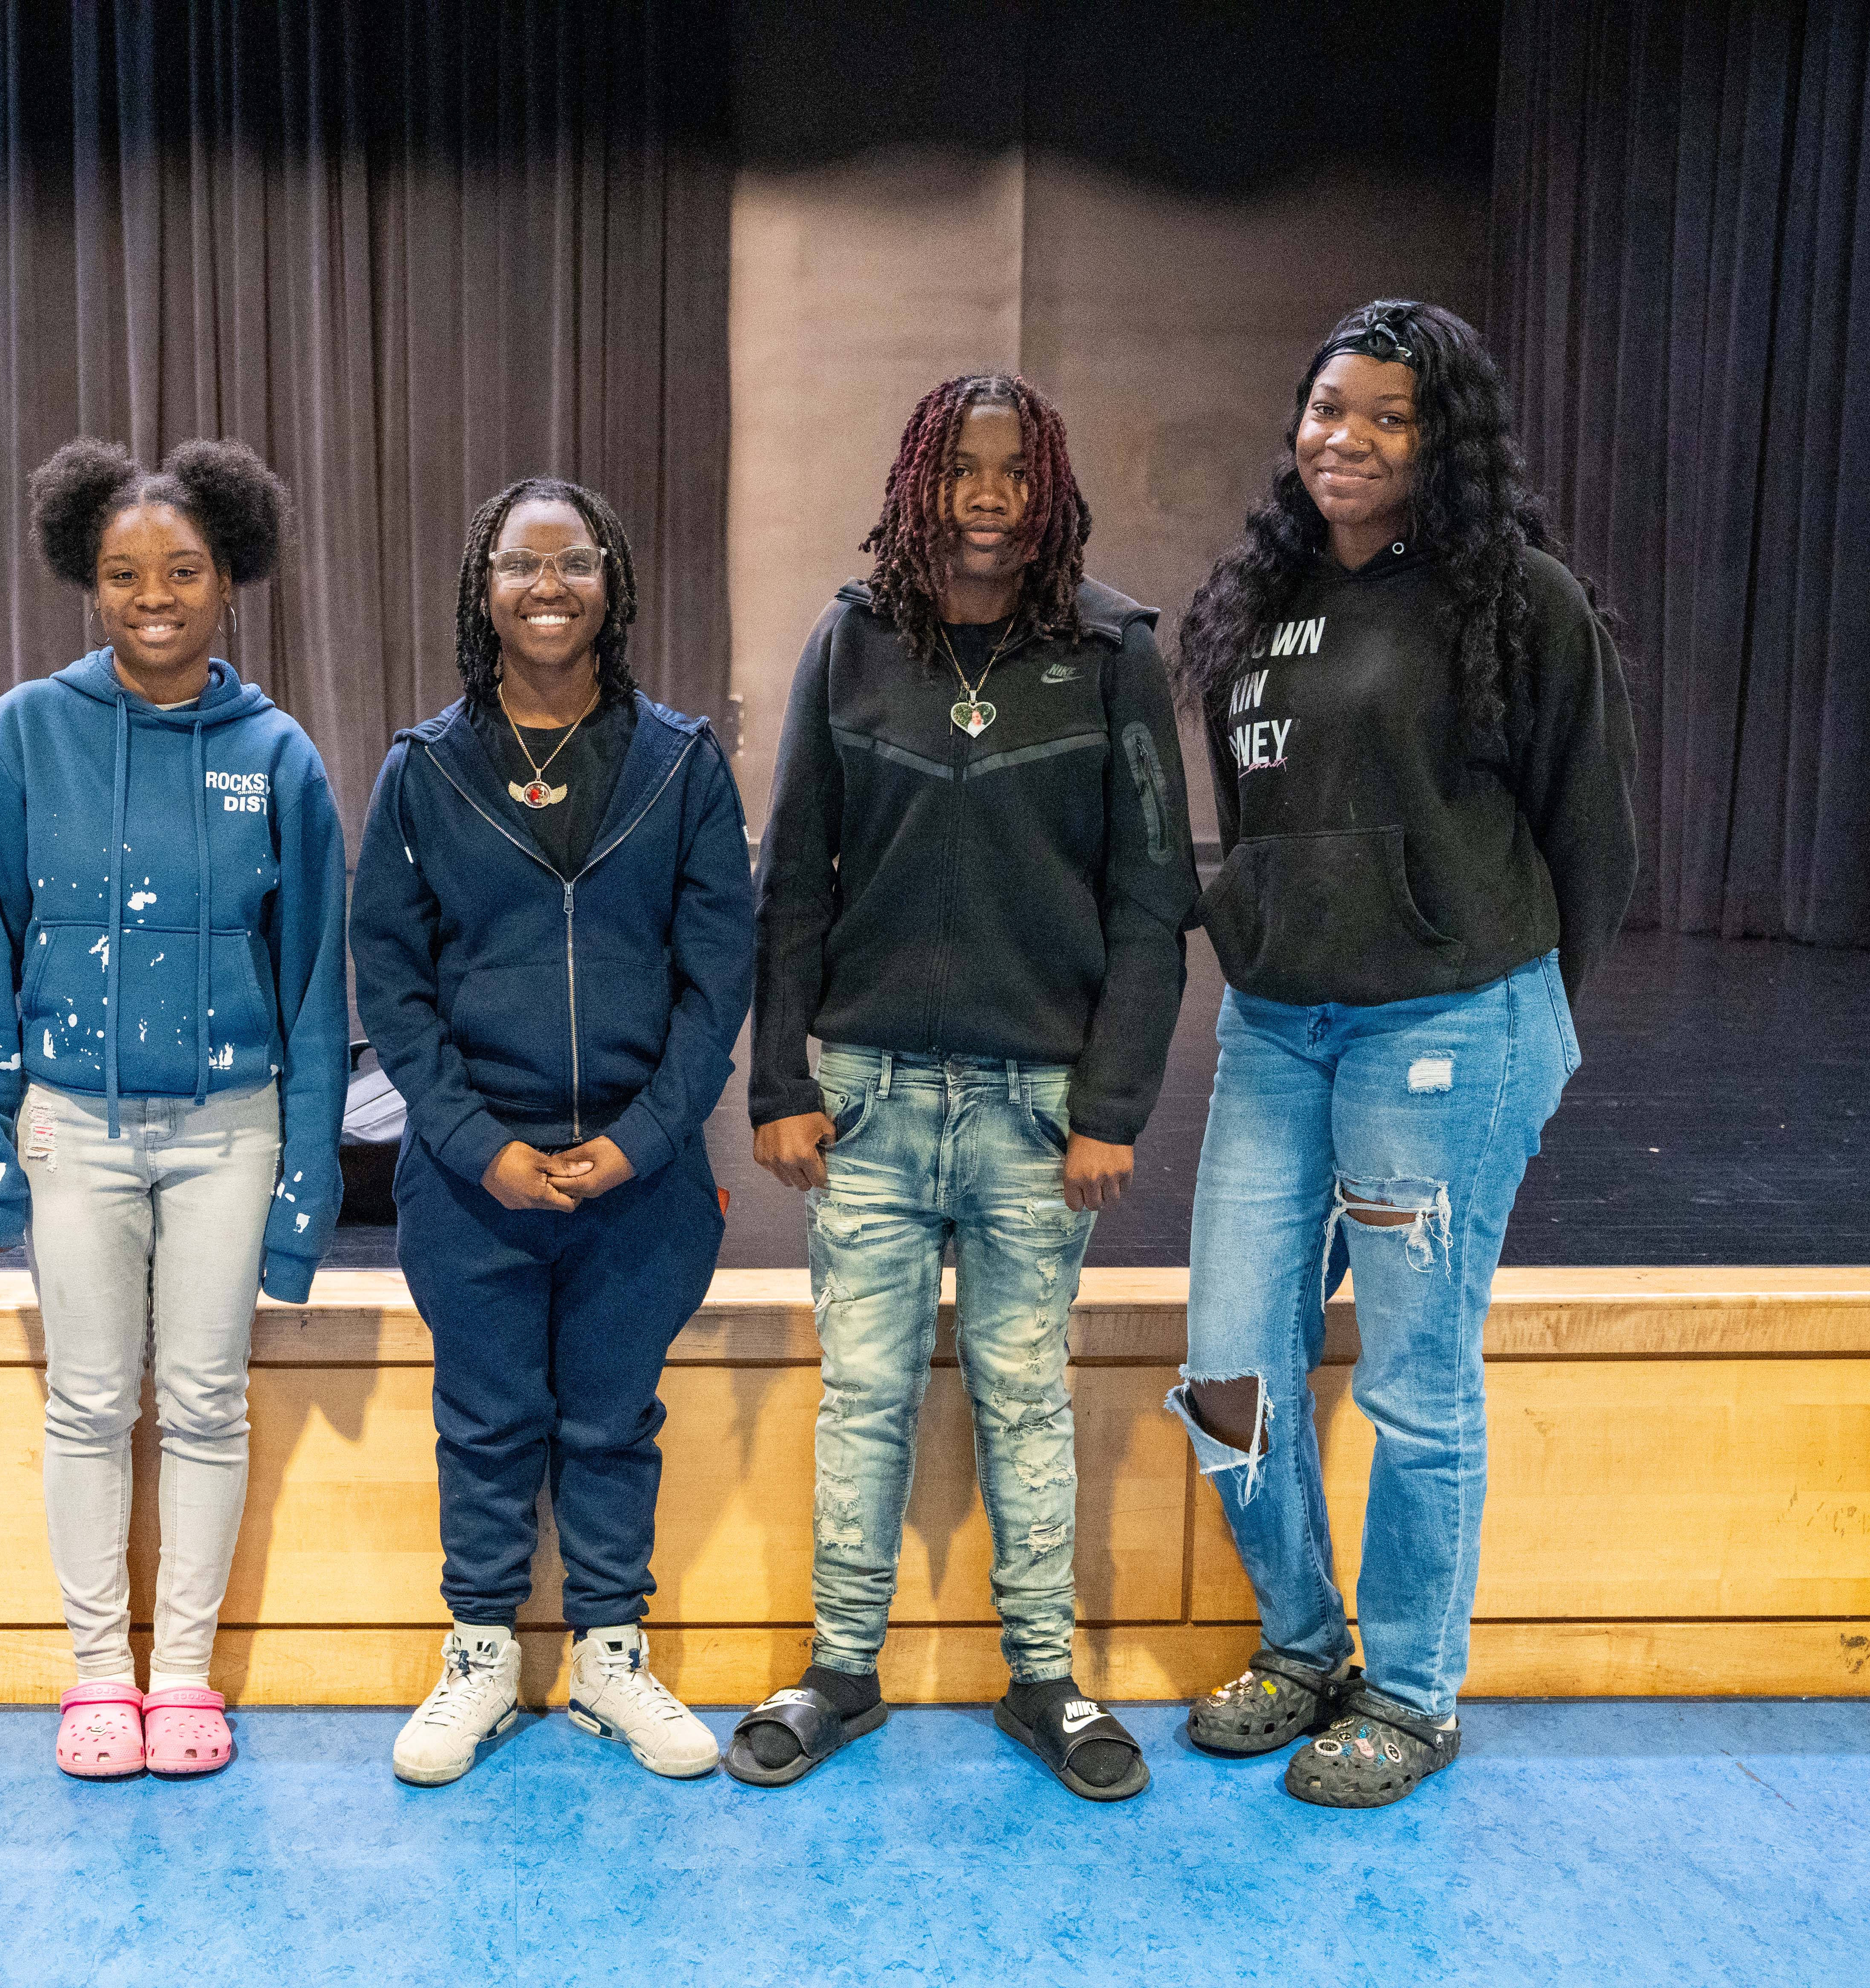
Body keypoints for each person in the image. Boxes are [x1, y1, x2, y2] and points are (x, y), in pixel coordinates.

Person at [1167, 299, 1637, 1808]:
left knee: (1416, 1385)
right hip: (1280, 1029)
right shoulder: (1261, 601)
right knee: (1231, 1366)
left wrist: (1531, 1018)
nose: (1345, 439)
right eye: (1326, 410)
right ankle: (1304, 1647)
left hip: (1448, 1024)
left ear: (1443, 443)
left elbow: (1592, 833)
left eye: (1387, 417)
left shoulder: (1515, 598)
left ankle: (1418, 1690)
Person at [737, 373, 1199, 1801]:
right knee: (863, 1397)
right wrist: (780, 1077)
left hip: (1036, 1111)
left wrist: (1114, 1104)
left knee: (1025, 1397)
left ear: (1048, 484)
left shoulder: (1112, 651)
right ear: (921, 485)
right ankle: (841, 1670)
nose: (989, 496)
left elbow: (1150, 898)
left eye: (1014, 471)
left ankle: (1046, 1680)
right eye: (963, 471)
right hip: (868, 1099)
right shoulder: (852, 641)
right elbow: (792, 876)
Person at [0, 439, 346, 1781]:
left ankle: (184, 1680)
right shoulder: (21, 738)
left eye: (181, 570)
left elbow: (314, 990)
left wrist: (306, 1194)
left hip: (232, 1130)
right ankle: (98, 1678)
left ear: (230, 578)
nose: (152, 596)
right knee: (90, 1401)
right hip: (75, 1127)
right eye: (123, 574)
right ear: (86, 581)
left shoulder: (278, 757)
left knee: (207, 1401)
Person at [351, 477, 753, 1787]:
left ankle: (608, 1658)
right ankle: (479, 1655)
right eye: (522, 565)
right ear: (485, 587)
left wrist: (643, 1138)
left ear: (611, 584)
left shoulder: (681, 765)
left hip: (644, 1176)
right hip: (474, 1178)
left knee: (611, 1421)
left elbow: (719, 978)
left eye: (574, 562)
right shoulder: (423, 773)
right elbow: (392, 988)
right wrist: (480, 1146)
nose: (548, 587)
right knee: (486, 1419)